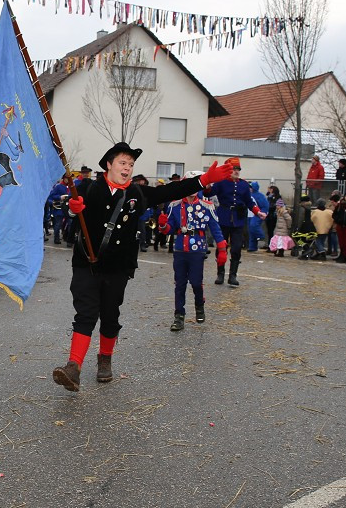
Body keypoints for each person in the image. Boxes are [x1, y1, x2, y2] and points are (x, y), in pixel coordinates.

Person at [52, 142, 233, 391]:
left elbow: (172, 190)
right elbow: (67, 205)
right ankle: (74, 366)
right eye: (122, 163)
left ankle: (105, 358)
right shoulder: (88, 187)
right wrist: (73, 210)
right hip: (87, 263)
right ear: (109, 164)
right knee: (85, 314)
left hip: (118, 266)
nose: (127, 168)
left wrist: (203, 180)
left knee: (110, 315)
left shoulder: (138, 193)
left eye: (130, 164)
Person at [162, 188, 225, 329]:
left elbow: (215, 228)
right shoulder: (175, 205)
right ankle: (179, 316)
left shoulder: (206, 206)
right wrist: (163, 225)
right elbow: (170, 228)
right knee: (180, 284)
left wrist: (222, 248)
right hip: (180, 248)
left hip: (197, 249)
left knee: (196, 282)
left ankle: (199, 306)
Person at [206, 157, 265, 286]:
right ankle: (220, 274)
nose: (236, 171)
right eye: (234, 169)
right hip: (223, 217)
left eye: (238, 169)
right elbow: (208, 193)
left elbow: (249, 202)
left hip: (238, 219)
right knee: (221, 247)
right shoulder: (221, 182)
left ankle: (233, 275)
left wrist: (258, 212)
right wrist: (208, 184)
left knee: (237, 248)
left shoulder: (243, 184)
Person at [46, 175, 70, 245]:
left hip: (68, 208)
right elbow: (51, 196)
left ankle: (67, 238)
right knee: (58, 225)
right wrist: (60, 197)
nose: (68, 180)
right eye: (67, 178)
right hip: (59, 209)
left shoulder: (71, 186)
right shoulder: (58, 186)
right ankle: (56, 238)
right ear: (64, 179)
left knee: (70, 224)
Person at [247, 181, 268, 252]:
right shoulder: (248, 195)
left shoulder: (259, 196)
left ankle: (261, 236)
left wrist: (263, 213)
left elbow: (265, 205)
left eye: (250, 187)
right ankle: (252, 247)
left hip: (257, 214)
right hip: (249, 215)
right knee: (251, 231)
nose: (249, 188)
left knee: (254, 226)